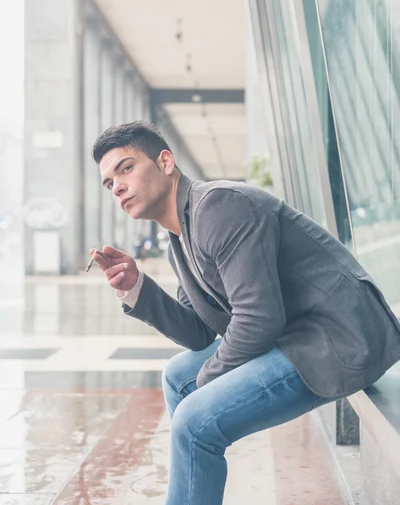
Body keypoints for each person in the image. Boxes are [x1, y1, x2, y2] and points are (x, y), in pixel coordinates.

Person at [90, 120, 400, 505]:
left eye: (126, 168)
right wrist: (137, 288)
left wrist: (206, 388)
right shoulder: (181, 237)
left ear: (165, 162)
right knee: (177, 377)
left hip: (339, 337)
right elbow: (199, 332)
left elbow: (258, 319)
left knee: (193, 421)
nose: (117, 186)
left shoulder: (219, 207)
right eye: (108, 183)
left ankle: (195, 461)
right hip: (297, 332)